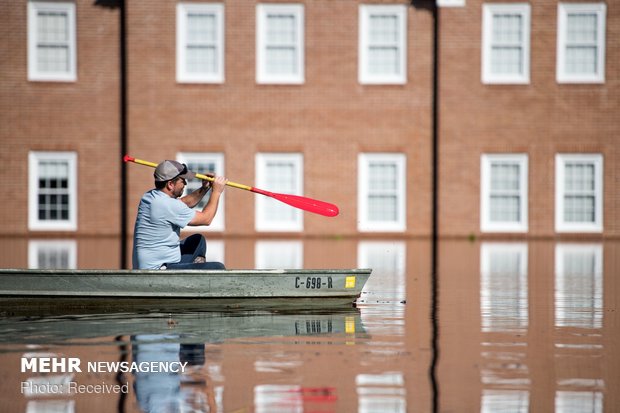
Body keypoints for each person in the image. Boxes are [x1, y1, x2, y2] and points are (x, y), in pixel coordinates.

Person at [132, 159, 227, 270]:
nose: (185, 184)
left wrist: (205, 188)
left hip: (158, 262)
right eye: (182, 180)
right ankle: (195, 279)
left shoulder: (150, 196)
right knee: (217, 268)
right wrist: (217, 192)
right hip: (158, 270)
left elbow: (184, 203)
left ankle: (194, 274)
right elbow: (206, 219)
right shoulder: (167, 205)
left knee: (197, 241)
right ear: (170, 184)